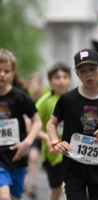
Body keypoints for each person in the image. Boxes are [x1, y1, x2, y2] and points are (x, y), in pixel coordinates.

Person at [46, 48, 98, 200]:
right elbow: (51, 124)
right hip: (73, 170)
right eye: (82, 71)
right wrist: (55, 142)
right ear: (77, 73)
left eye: (92, 69)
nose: (88, 74)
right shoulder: (67, 99)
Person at [0, 48, 42, 200]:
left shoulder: (19, 96)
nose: (2, 74)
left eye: (7, 71)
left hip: (17, 157)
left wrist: (27, 142)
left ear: (13, 72)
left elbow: (37, 121)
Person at [35, 62, 71, 200]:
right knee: (56, 191)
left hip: (72, 151)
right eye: (57, 77)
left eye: (65, 77)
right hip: (52, 155)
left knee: (72, 188)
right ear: (50, 81)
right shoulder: (44, 102)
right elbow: (33, 128)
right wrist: (47, 138)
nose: (61, 80)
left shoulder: (74, 99)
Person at [25, 71, 49, 199]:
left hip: (45, 133)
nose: (34, 86)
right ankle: (32, 184)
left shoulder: (45, 98)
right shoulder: (27, 99)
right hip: (33, 135)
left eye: (36, 83)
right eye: (32, 83)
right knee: (33, 158)